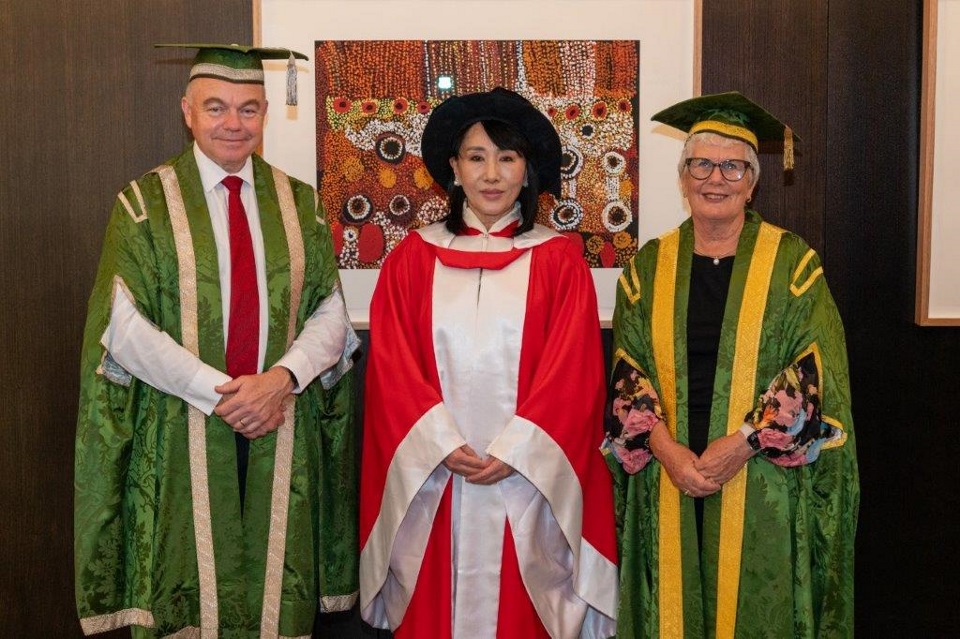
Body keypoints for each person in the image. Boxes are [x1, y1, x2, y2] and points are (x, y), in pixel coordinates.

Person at [74, 44, 359, 637]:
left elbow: (331, 313)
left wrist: (279, 381)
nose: (233, 123)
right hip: (182, 420)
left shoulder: (300, 204)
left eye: (249, 109)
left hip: (280, 419)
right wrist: (222, 393)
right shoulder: (142, 205)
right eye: (216, 107)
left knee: (273, 586)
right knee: (190, 580)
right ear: (187, 111)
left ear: (264, 115)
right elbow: (122, 324)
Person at [359, 87, 619, 638]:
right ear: (453, 169)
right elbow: (391, 365)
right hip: (436, 477)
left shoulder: (559, 261)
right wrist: (442, 443)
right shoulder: (412, 258)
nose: (492, 174)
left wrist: (517, 449)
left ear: (527, 171)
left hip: (527, 479)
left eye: (507, 157)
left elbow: (574, 372)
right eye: (476, 158)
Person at [603, 91, 859, 637]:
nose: (715, 178)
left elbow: (813, 375)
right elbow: (628, 373)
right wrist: (668, 449)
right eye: (701, 164)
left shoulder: (793, 265)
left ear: (753, 181)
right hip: (668, 472)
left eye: (733, 166)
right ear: (683, 175)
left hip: (760, 474)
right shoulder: (649, 266)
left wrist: (741, 441)